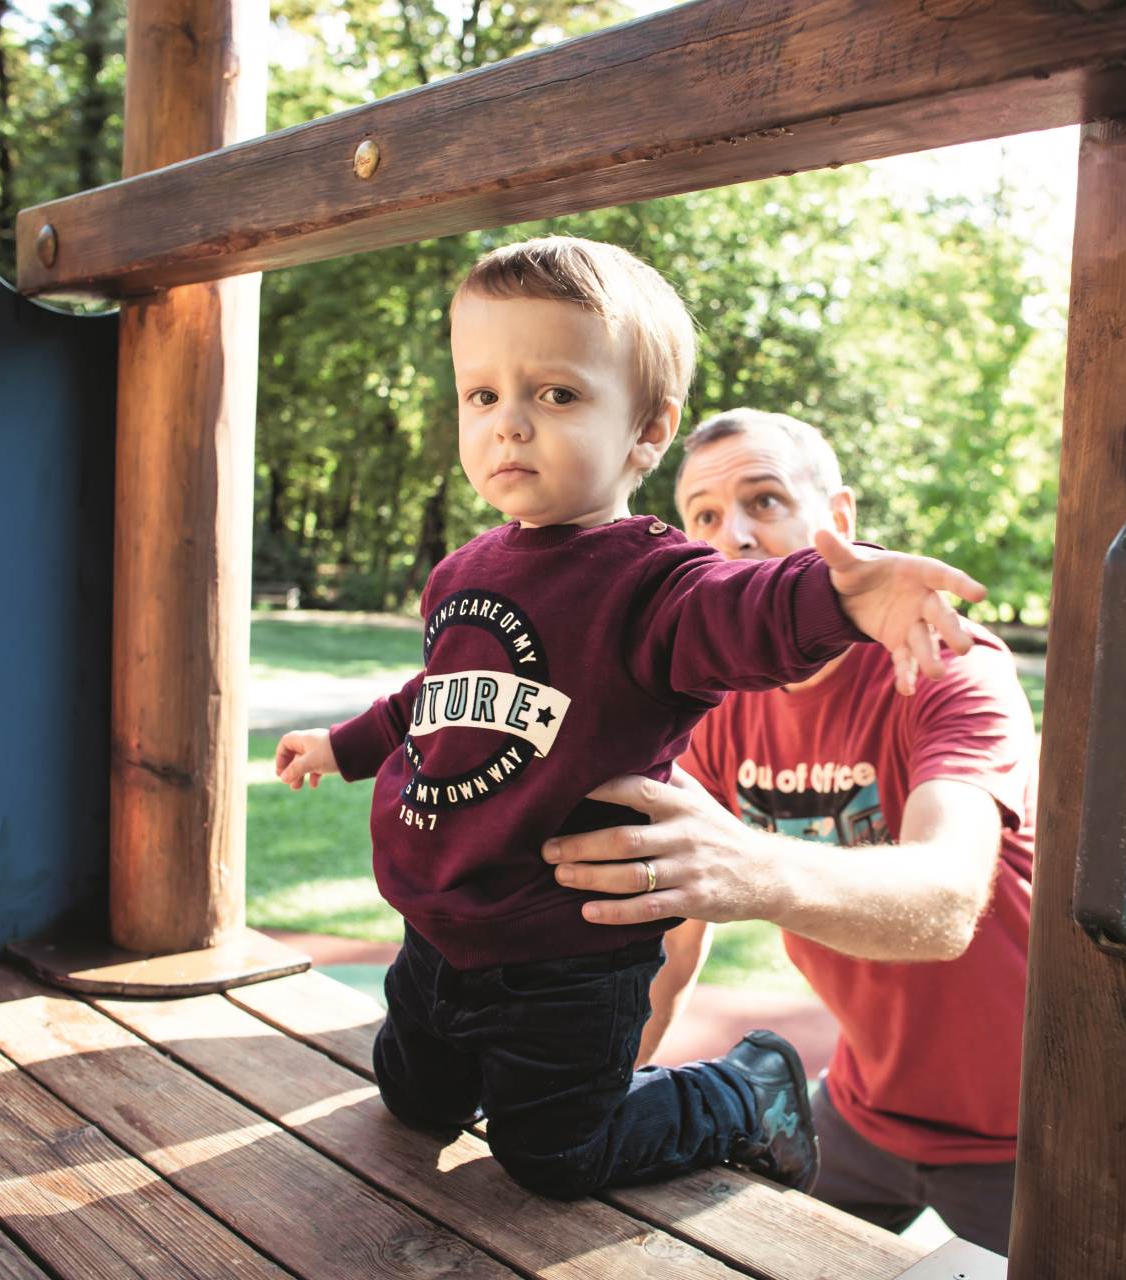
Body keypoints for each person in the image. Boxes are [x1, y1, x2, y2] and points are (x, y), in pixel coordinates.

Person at [272, 239, 988, 1202]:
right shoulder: (462, 571)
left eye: (556, 395)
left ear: (647, 431)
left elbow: (754, 613)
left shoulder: (655, 584)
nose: (509, 425)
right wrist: (343, 746)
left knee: (556, 1155)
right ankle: (486, 1072)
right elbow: (430, 699)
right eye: (482, 396)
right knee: (412, 1099)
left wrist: (850, 596)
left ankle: (747, 1093)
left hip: (564, 953)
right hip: (438, 921)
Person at [540, 408, 1037, 1253]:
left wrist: (749, 869)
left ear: (837, 520)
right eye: (701, 516)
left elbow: (948, 903)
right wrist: (602, 1096)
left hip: (1033, 1138)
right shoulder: (717, 704)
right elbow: (673, 938)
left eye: (763, 500)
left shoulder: (952, 667)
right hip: (863, 1111)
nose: (730, 535)